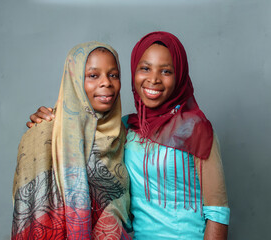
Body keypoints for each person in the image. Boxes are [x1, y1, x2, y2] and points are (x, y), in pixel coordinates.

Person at [27, 31, 230, 239]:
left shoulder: (197, 130)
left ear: (179, 76)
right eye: (145, 68)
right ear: (134, 71)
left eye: (166, 71)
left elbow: (218, 212)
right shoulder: (124, 128)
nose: (153, 79)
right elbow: (82, 135)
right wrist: (52, 119)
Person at [12, 42, 132, 240]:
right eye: (93, 75)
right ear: (74, 79)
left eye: (113, 75)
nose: (106, 83)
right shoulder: (46, 134)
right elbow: (30, 212)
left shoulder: (125, 135)